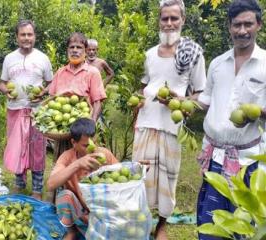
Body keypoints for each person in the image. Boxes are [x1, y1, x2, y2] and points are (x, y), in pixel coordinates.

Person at [131, 0, 207, 239]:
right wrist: (136, 104)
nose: (170, 23)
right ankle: (142, 220)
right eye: (165, 18)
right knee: (141, 176)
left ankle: (161, 224)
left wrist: (182, 101)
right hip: (145, 122)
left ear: (182, 20)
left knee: (168, 177)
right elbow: (142, 87)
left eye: (175, 18)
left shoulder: (192, 53)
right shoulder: (149, 54)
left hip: (171, 126)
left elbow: (200, 93)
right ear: (159, 21)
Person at [196, 0, 266, 239]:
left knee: (243, 225)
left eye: (248, 24)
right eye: (237, 24)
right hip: (215, 157)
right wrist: (180, 103)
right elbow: (204, 101)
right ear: (229, 26)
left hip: (247, 161)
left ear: (258, 25)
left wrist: (258, 113)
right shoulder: (217, 63)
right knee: (213, 223)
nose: (242, 30)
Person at [0, 20, 53, 200]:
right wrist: (6, 91)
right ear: (17, 37)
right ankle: (19, 183)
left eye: (30, 34)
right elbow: (2, 83)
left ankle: (37, 188)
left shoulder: (43, 58)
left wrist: (43, 94)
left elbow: (51, 83)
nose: (26, 38)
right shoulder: (9, 58)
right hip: (15, 110)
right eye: (23, 34)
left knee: (37, 148)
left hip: (37, 111)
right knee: (17, 147)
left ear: (34, 36)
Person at [47, 118, 118, 240]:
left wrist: (138, 169)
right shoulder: (67, 157)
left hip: (104, 210)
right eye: (85, 145)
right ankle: (71, 231)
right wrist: (78, 164)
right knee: (65, 196)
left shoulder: (104, 154)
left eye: (93, 142)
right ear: (73, 142)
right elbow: (50, 184)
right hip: (81, 211)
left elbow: (122, 177)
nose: (92, 148)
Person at [48, 32, 107, 159]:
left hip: (83, 134)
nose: (75, 50)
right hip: (62, 131)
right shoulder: (60, 72)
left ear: (85, 51)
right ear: (67, 50)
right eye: (72, 47)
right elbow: (51, 100)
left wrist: (92, 122)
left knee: (85, 169)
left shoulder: (92, 73)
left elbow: (97, 102)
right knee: (63, 166)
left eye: (79, 47)